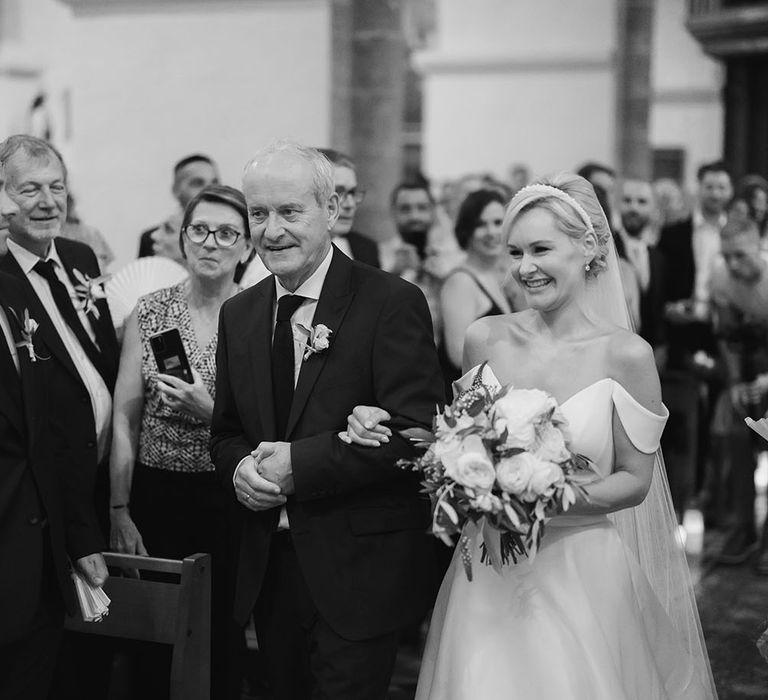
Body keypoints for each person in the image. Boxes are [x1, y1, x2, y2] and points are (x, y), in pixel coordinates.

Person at [344, 173, 716, 699]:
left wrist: (536, 498)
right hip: (489, 572)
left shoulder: (627, 356)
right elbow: (459, 441)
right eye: (515, 252)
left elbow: (634, 481)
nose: (525, 268)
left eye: (542, 249)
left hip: (581, 569)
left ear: (588, 248)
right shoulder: (485, 337)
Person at [209, 141, 445, 700]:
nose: (271, 231)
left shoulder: (389, 301)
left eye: (290, 212)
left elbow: (418, 436)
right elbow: (224, 432)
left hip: (358, 572)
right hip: (271, 571)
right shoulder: (240, 314)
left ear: (331, 211)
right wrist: (240, 467)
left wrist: (301, 464)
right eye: (259, 214)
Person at [110, 184, 252, 699]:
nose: (211, 242)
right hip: (156, 494)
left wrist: (209, 411)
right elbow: (126, 413)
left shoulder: (260, 315)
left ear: (247, 245)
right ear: (183, 239)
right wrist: (119, 506)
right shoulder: (151, 311)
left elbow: (272, 430)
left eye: (226, 232)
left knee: (221, 636)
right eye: (199, 230)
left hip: (231, 496)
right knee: (155, 636)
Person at [0, 134, 117, 698]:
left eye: (57, 187)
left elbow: (95, 360)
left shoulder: (79, 258)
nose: (49, 202)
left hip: (96, 481)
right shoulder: (1, 280)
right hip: (44, 496)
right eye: (30, 190)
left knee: (90, 656)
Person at [708, 216, 768, 569]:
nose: (733, 264)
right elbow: (727, 337)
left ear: (758, 246)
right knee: (735, 438)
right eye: (726, 256)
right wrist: (733, 383)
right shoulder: (721, 278)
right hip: (745, 372)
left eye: (740, 255)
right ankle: (742, 528)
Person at [438, 189, 511, 391]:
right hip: (470, 401)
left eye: (498, 223)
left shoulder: (497, 279)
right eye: (481, 224)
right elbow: (458, 355)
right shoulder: (461, 281)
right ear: (467, 230)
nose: (491, 232)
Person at [618, 178, 667, 359]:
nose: (633, 208)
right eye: (627, 200)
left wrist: (660, 345)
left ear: (654, 208)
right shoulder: (606, 249)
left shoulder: (658, 256)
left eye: (642, 202)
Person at [137, 153, 219, 259]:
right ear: (176, 190)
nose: (210, 190)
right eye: (197, 183)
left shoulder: (237, 238)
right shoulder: (154, 240)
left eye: (215, 183)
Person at [317, 147, 380, 267]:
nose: (350, 205)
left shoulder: (366, 249)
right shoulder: (284, 250)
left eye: (352, 192)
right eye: (338, 192)